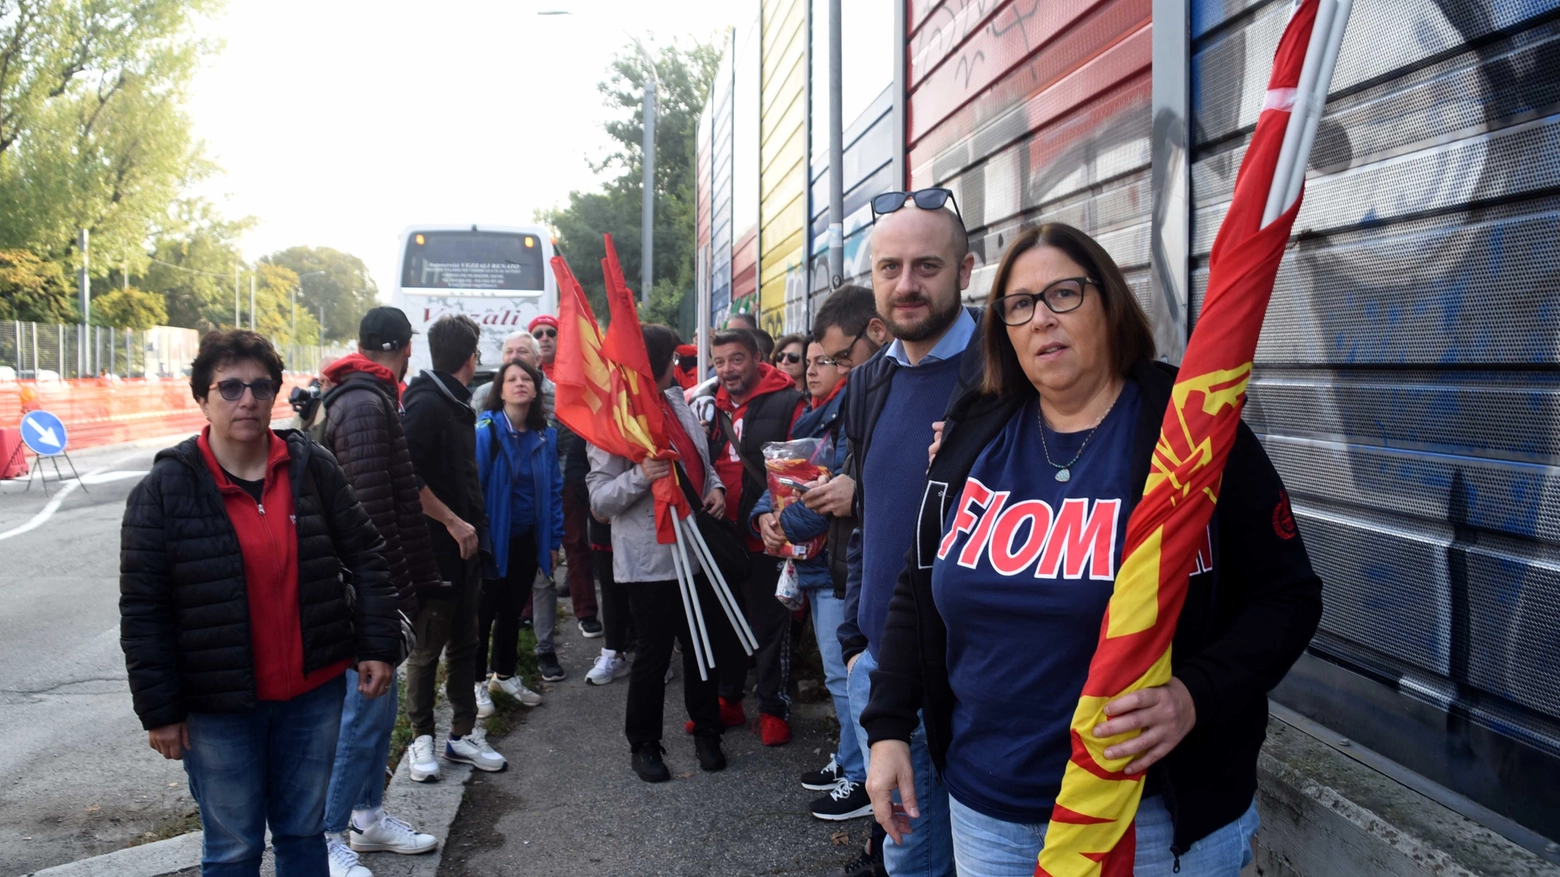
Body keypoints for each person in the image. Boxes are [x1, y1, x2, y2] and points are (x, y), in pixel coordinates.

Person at [860, 223, 1324, 876]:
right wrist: (886, 728)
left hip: (1149, 818)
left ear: (1108, 301)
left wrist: (1197, 693)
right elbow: (920, 582)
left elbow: (1289, 595)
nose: (1041, 318)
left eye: (1063, 294)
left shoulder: (1190, 430)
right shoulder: (973, 428)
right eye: (1019, 304)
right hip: (987, 811)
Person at [120, 330, 402, 877]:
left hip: (312, 698)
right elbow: (144, 608)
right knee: (232, 848)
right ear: (202, 397)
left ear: (275, 393)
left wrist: (376, 644)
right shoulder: (164, 489)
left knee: (303, 836)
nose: (246, 399)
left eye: (259, 386)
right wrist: (161, 710)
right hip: (219, 710)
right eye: (229, 387)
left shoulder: (309, 466)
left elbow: (367, 554)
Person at [830, 188, 987, 877]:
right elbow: (868, 513)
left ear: (967, 269)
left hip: (968, 680)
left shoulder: (1005, 370)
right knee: (909, 861)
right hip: (883, 676)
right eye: (889, 267)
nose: (906, 284)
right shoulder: (870, 379)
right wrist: (857, 642)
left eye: (927, 265)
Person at [749, 288, 886, 831]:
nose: (810, 370)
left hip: (838, 567)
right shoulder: (812, 418)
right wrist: (764, 515)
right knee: (840, 677)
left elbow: (830, 497)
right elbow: (779, 477)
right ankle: (852, 762)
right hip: (819, 567)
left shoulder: (849, 413)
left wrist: (784, 522)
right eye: (805, 362)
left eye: (826, 360)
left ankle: (860, 771)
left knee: (848, 677)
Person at [317, 308, 442, 875]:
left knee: (377, 711)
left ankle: (367, 819)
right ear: (406, 347)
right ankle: (326, 834)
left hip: (377, 589)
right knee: (362, 715)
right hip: (368, 593)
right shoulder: (365, 404)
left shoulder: (365, 396)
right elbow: (370, 514)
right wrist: (385, 594)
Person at [586, 324, 734, 782]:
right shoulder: (615, 417)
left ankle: (707, 732)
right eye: (669, 359)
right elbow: (599, 499)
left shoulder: (677, 401)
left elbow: (703, 463)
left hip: (696, 550)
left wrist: (716, 488)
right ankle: (645, 744)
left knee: (702, 648)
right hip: (650, 558)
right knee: (652, 655)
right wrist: (641, 476)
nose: (677, 367)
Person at [401, 315, 507, 781]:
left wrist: (475, 532)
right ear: (472, 358)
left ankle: (462, 735)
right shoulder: (425, 403)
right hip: (433, 551)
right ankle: (420, 740)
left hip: (468, 549)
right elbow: (406, 475)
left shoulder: (457, 402)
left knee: (466, 643)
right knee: (427, 650)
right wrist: (451, 521)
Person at [706, 329, 807, 745]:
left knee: (770, 627)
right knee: (724, 625)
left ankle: (772, 709)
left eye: (736, 359)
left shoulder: (787, 401)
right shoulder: (709, 405)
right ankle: (727, 700)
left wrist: (779, 518)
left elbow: (801, 467)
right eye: (719, 362)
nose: (727, 370)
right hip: (721, 536)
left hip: (766, 536)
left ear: (756, 357)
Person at [474, 359, 562, 707]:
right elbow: (473, 489)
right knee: (483, 614)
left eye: (526, 378)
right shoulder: (486, 431)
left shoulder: (546, 435)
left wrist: (552, 541)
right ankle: (475, 684)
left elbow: (554, 491)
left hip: (528, 537)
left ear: (536, 389)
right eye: (511, 379)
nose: (519, 383)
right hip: (493, 540)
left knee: (512, 610)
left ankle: (504, 676)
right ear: (500, 390)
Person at [469, 330, 555, 420]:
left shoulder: (557, 396)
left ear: (537, 360)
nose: (514, 356)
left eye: (522, 351)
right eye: (509, 352)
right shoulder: (483, 395)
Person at [530, 314, 559, 381]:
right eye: (538, 334)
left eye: (551, 333)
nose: (545, 338)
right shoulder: (524, 372)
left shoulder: (574, 369)